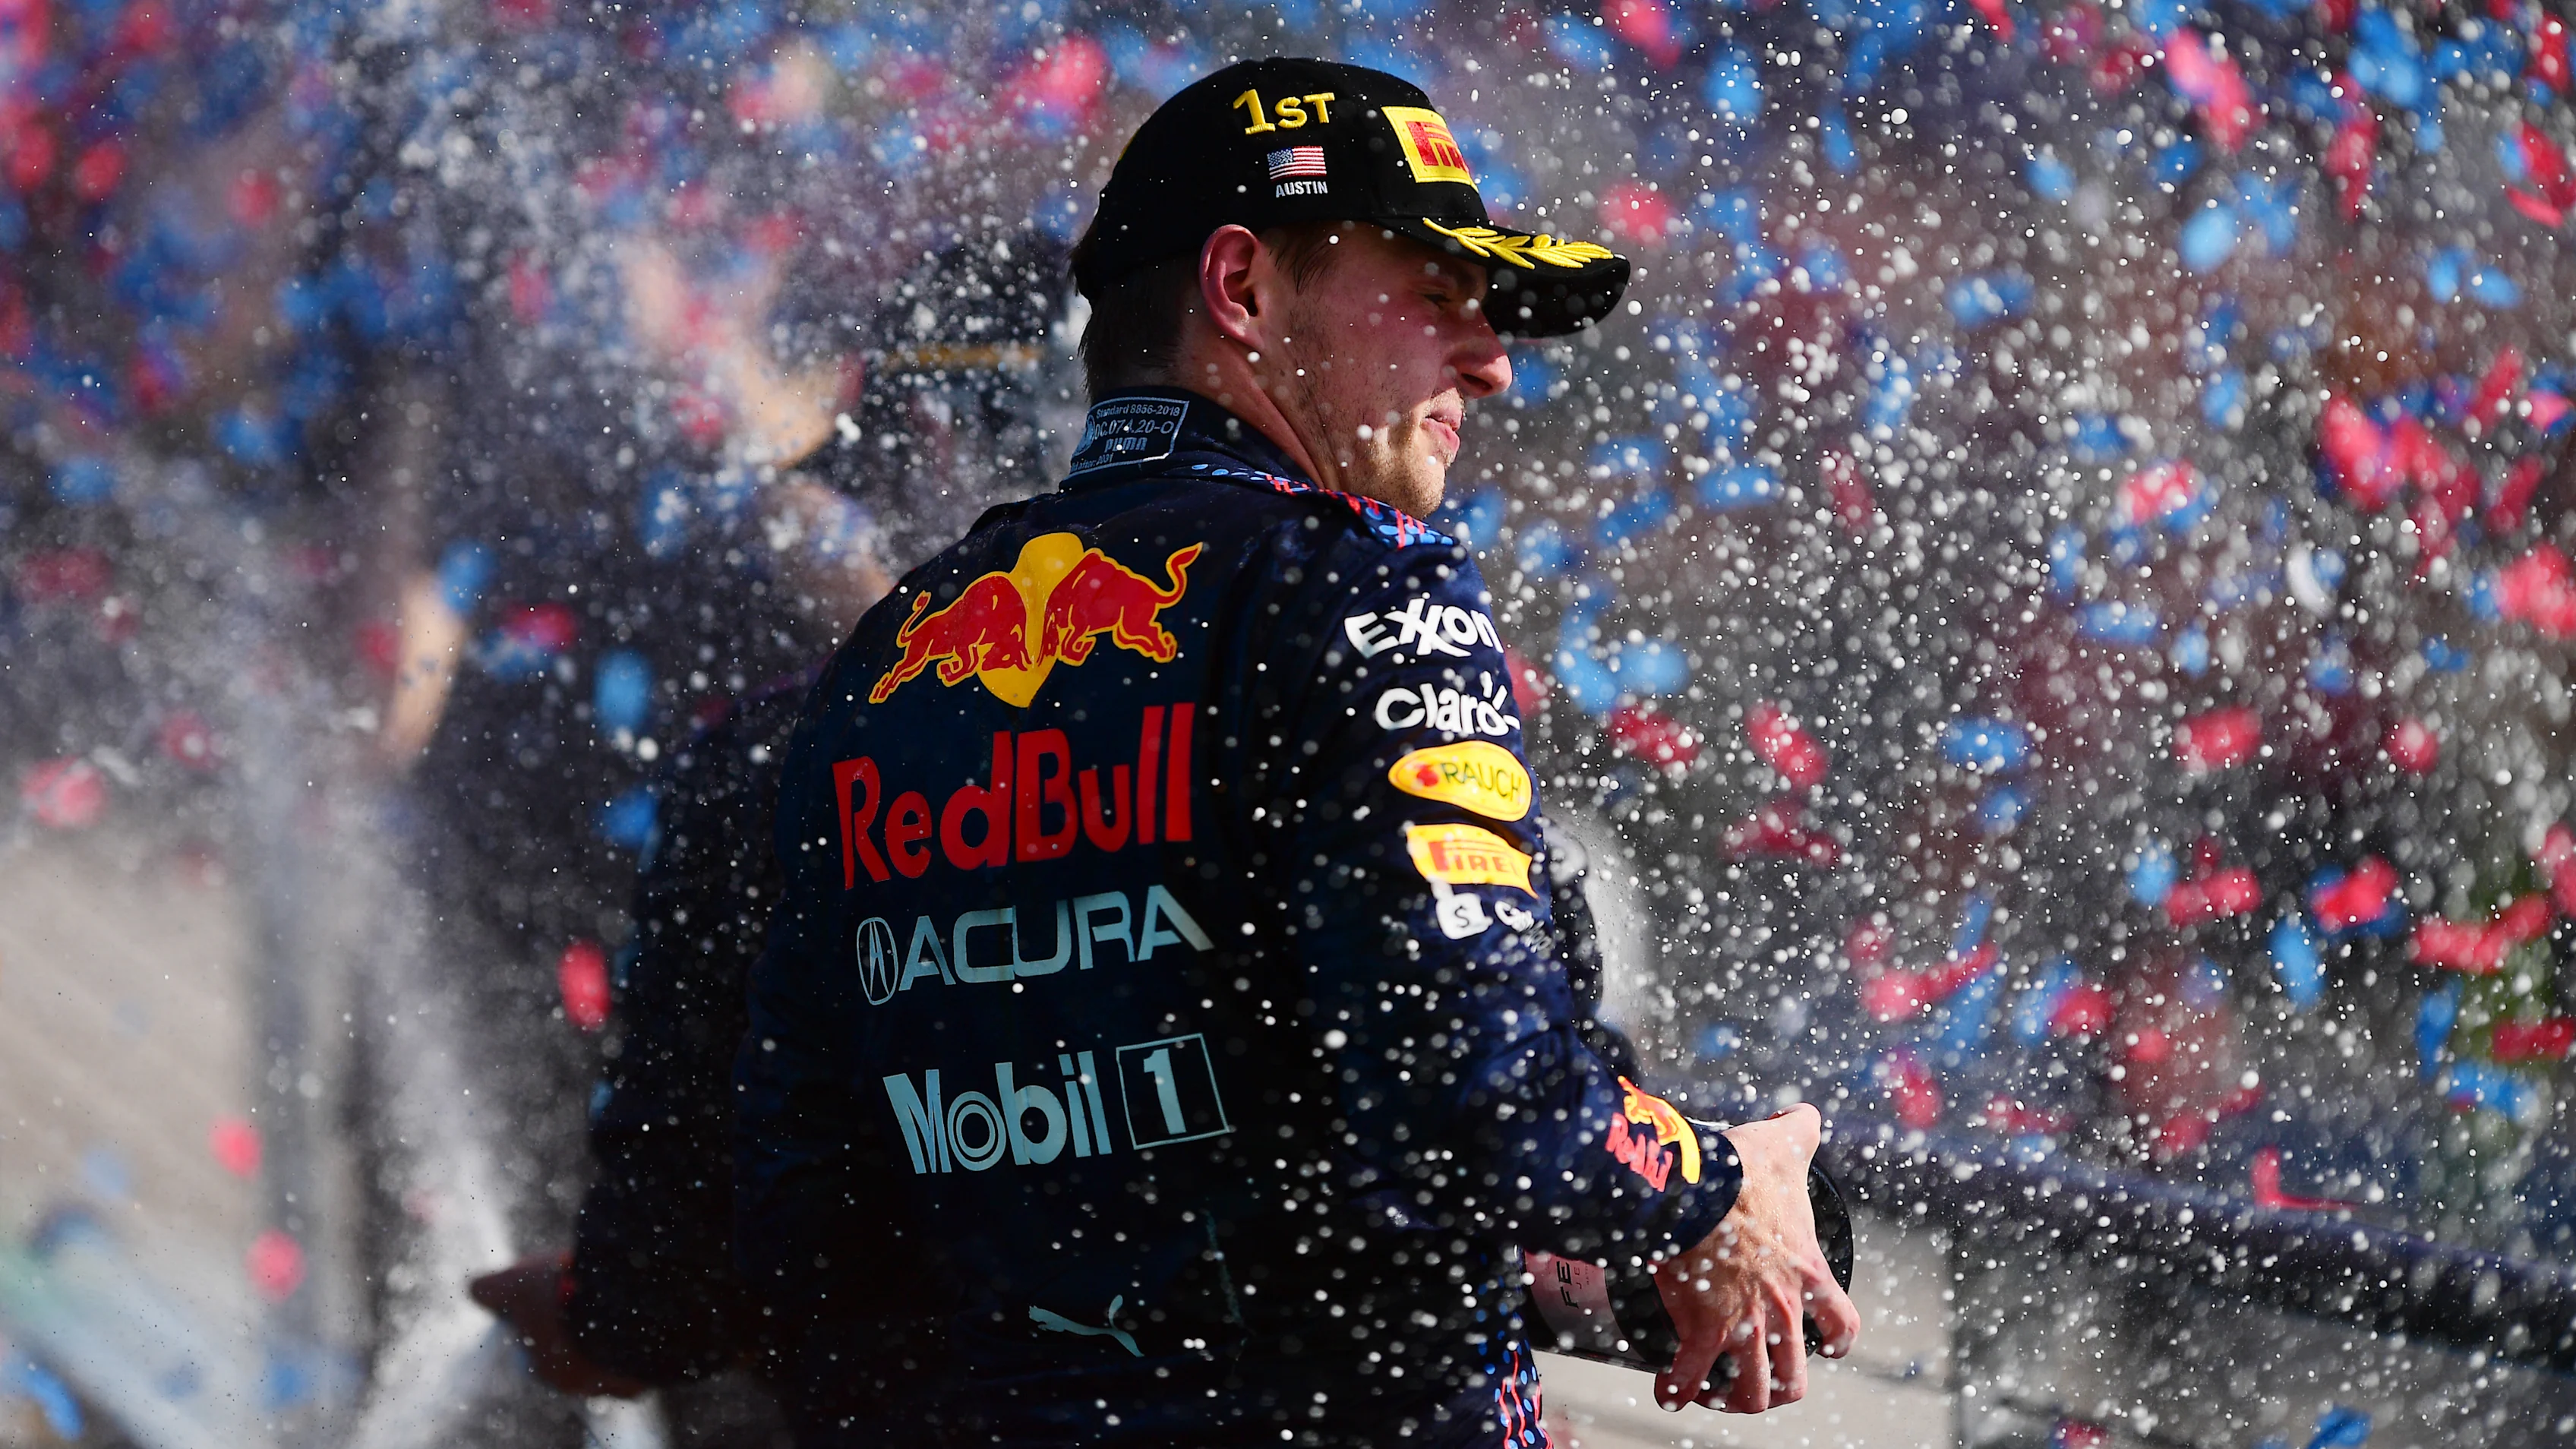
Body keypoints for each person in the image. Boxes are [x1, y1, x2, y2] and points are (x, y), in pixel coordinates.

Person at [735, 57, 1861, 1447]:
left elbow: (802, 1210)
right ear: (1244, 289)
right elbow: (1490, 1091)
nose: (1492, 360)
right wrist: (1716, 1188)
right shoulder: (1354, 586)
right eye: (1437, 294)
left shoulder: (894, 650)